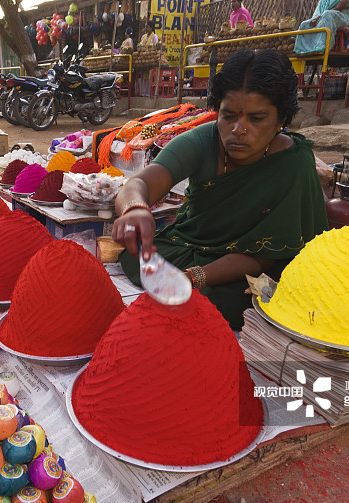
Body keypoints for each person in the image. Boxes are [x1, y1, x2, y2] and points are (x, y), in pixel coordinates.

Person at [112, 49, 328, 330]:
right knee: (142, 260)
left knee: (248, 303)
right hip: (191, 245)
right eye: (228, 116)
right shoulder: (202, 141)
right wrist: (135, 209)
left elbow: (265, 255)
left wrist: (194, 277)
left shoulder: (293, 163)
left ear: (281, 120)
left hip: (257, 266)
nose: (238, 129)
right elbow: (139, 183)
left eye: (256, 119)